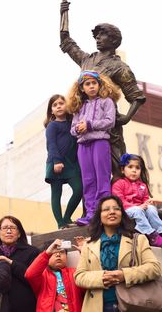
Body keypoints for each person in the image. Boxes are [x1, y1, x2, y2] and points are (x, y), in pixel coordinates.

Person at [60, 1, 146, 176]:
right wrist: (64, 13)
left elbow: (136, 97)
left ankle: (118, 201)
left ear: (113, 40)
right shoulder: (87, 60)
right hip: (83, 123)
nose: (97, 38)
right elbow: (66, 42)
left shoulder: (120, 67)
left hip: (107, 125)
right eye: (96, 35)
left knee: (117, 168)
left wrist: (126, 117)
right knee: (87, 171)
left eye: (102, 35)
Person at [74, 195, 161, 312]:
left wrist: (124, 275)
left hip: (132, 304)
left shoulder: (138, 239)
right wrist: (101, 278)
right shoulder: (89, 245)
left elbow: (154, 268)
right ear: (99, 216)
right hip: (98, 307)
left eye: (116, 208)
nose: (112, 212)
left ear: (122, 214)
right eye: (106, 209)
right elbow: (79, 276)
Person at [67, 70, 120, 225]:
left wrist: (89, 125)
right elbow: (72, 129)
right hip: (83, 146)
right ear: (82, 88)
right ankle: (91, 214)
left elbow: (110, 121)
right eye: (87, 84)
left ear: (99, 84)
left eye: (93, 83)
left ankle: (104, 212)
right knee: (88, 180)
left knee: (102, 178)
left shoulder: (106, 101)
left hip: (100, 143)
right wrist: (78, 129)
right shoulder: (79, 106)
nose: (91, 86)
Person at [44, 94, 83, 229]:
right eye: (55, 105)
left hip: (71, 164)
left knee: (79, 189)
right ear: (51, 111)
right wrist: (56, 161)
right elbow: (51, 144)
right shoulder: (52, 126)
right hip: (56, 162)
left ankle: (67, 218)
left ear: (67, 106)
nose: (59, 106)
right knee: (56, 193)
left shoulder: (73, 124)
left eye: (61, 103)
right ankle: (60, 223)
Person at [111, 153, 162, 247]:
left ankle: (160, 231)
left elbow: (145, 199)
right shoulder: (119, 183)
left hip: (140, 209)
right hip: (125, 210)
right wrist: (137, 206)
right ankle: (151, 235)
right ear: (122, 170)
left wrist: (147, 203)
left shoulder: (142, 185)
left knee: (151, 209)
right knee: (137, 210)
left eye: (137, 168)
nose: (134, 170)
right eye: (130, 167)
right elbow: (119, 201)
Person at [0, 215, 40, 312]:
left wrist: (10, 262)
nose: (9, 231)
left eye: (13, 228)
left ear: (19, 234)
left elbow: (34, 278)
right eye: (5, 228)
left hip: (25, 307)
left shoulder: (32, 252)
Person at [25, 238, 84, 312]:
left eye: (62, 252)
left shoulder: (75, 272)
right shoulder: (42, 276)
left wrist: (84, 255)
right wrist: (46, 254)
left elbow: (87, 285)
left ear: (66, 256)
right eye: (54, 252)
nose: (58, 255)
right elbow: (30, 275)